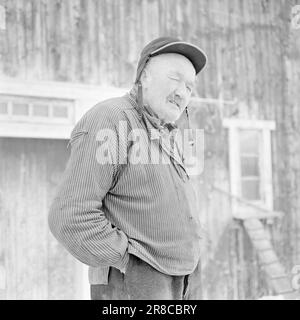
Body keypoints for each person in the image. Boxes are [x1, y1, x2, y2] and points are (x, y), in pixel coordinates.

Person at [48, 36, 207, 300]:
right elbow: (69, 216)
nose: (183, 93)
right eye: (175, 79)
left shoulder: (165, 135)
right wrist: (130, 262)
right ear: (144, 76)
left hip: (182, 281)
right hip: (134, 284)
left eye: (190, 87)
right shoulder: (111, 119)